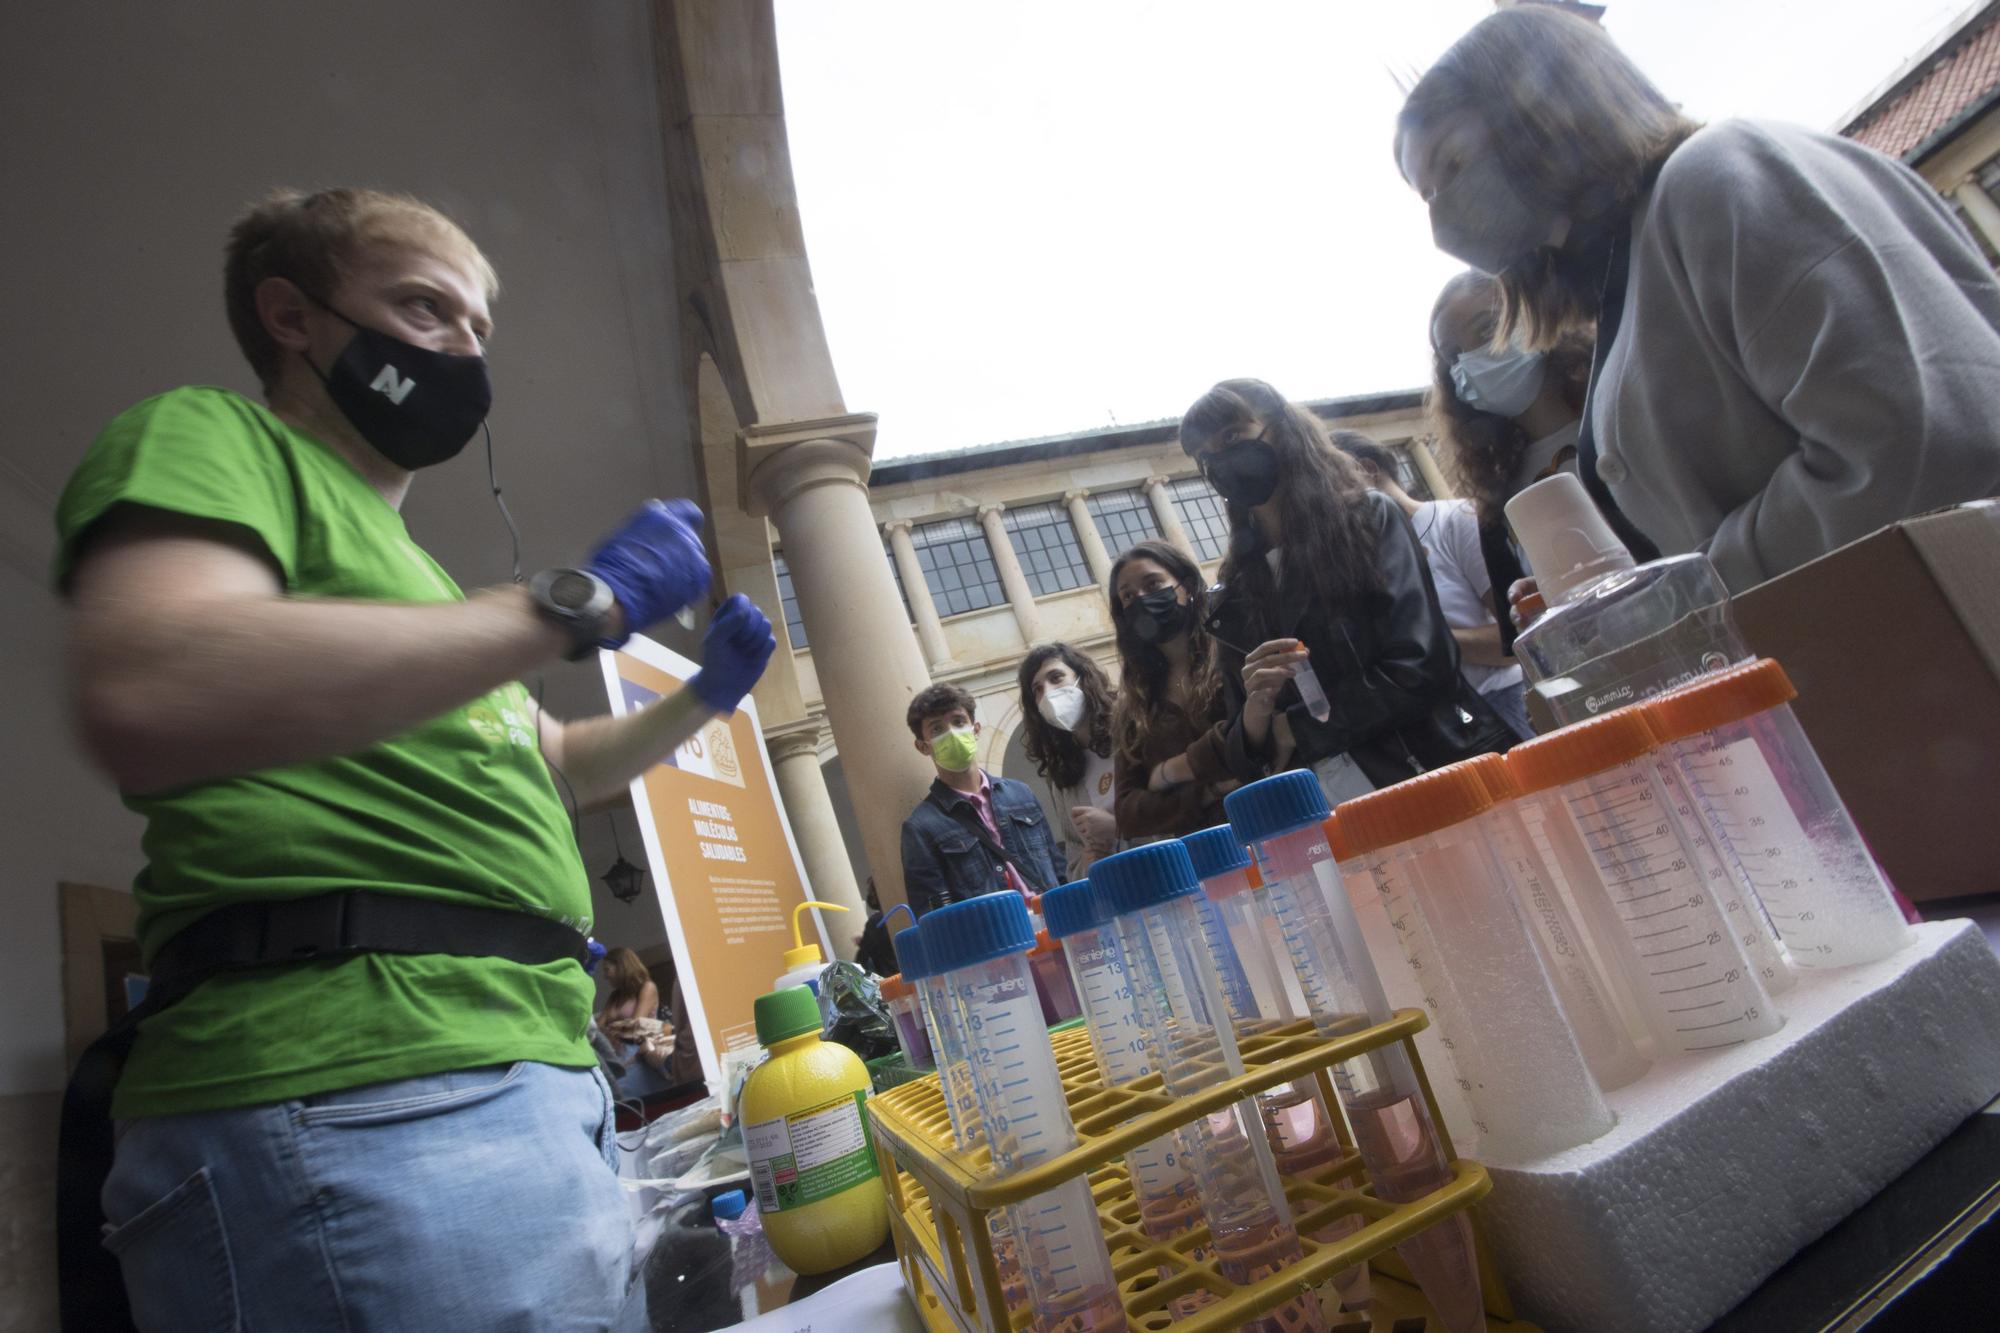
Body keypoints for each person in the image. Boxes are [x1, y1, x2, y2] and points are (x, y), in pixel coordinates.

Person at [54, 187, 776, 1331]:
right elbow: (151, 680)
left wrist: (700, 699)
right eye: (424, 307)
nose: (465, 349)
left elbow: (560, 765)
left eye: (480, 326)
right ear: (292, 316)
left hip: (515, 1074)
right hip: (354, 1093)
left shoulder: (425, 587)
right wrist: (563, 606)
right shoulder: (212, 435)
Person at [1397, 5, 2000, 596]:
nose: (1444, 220)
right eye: (1428, 197)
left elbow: (1910, 441)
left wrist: (1685, 596)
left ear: (1542, 113)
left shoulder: (1715, 177)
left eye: (1452, 162)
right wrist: (1619, 593)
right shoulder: (1622, 283)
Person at [1180, 380, 1515, 801]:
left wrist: (1296, 727)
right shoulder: (1235, 590)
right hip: (1332, 808)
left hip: (1433, 771)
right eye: (1205, 457)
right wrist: (1257, 715)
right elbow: (1243, 747)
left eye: (1232, 436)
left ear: (1281, 429)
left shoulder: (1368, 519)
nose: (1221, 461)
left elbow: (1422, 663)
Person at [1335, 432, 1533, 740]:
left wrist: (1423, 641)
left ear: (1367, 470)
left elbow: (1520, 637)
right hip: (1441, 728)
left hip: (1504, 703)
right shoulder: (1359, 567)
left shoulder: (1456, 519)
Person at [1106, 540, 1297, 839]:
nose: (1141, 599)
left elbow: (1272, 729)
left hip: (1281, 821)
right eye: (1128, 596)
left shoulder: (1236, 649)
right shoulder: (1134, 704)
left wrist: (1170, 771)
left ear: (1187, 585)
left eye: (1153, 583)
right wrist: (1207, 791)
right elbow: (1129, 814)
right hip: (1210, 854)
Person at [899, 683, 1064, 918]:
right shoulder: (920, 827)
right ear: (923, 747)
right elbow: (935, 917)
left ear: (975, 729)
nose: (952, 734)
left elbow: (1058, 868)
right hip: (998, 944)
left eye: (958, 722)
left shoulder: (1021, 795)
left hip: (1054, 927)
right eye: (937, 729)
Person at [1016, 642, 1120, 877]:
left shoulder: (1131, 732)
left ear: (1082, 678)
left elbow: (1173, 813)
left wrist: (1118, 829)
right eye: (1037, 689)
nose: (1048, 693)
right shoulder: (1062, 773)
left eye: (1056, 678)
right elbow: (1074, 861)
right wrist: (1088, 865)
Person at [595, 947, 675, 1102]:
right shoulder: (615, 996)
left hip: (641, 1054)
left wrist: (610, 1030)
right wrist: (616, 1029)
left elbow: (636, 1024)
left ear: (621, 967)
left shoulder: (647, 987)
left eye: (607, 970)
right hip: (620, 1056)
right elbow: (598, 1026)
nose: (605, 976)